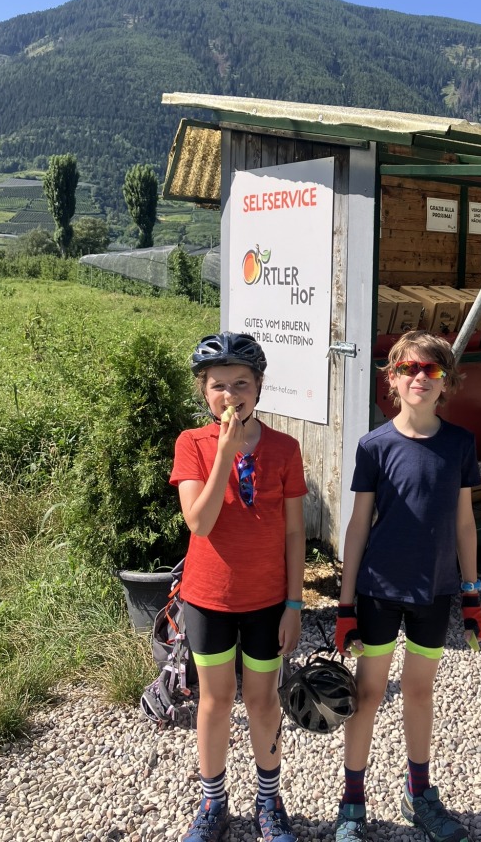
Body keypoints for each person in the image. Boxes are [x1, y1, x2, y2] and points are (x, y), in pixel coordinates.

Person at [333, 329, 481, 842]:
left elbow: (465, 524)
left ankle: (418, 794)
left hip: (436, 592)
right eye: (409, 369)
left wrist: (471, 592)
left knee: (420, 693)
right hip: (379, 590)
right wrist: (345, 603)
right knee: (369, 694)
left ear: (447, 382)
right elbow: (358, 526)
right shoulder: (374, 446)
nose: (420, 377)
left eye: (432, 370)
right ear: (392, 379)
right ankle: (352, 804)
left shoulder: (460, 444)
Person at [170, 332, 307, 842]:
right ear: (204, 392)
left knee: (262, 698)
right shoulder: (193, 444)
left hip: (268, 601)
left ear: (260, 386)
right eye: (218, 385)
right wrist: (224, 453)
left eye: (241, 384)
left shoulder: (285, 448)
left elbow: (295, 532)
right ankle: (213, 802)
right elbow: (199, 524)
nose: (230, 395)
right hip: (208, 599)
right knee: (215, 699)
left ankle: (269, 802)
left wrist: (295, 603)